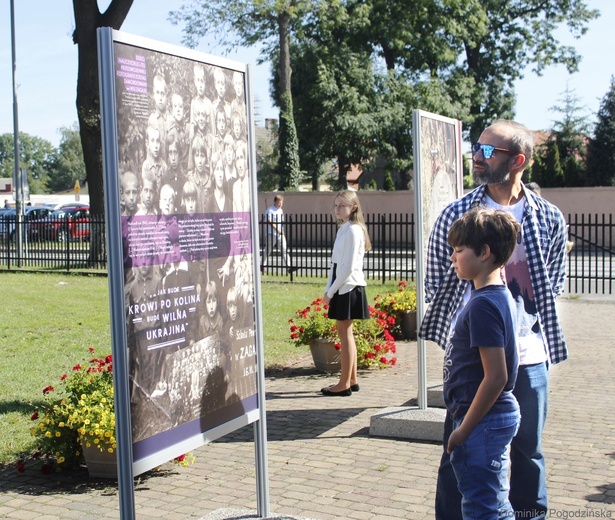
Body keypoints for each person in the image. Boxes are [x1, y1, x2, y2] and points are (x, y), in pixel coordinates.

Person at [420, 119, 569, 520]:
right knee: (459, 448)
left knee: (528, 450)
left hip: (530, 356)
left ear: (518, 160)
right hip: (475, 359)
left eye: (488, 151)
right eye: (477, 148)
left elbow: (553, 283)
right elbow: (438, 277)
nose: (477, 157)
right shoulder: (458, 213)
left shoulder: (549, 218)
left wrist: (519, 328)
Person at [443, 206, 521, 519]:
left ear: (485, 252)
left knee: (484, 509)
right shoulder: (493, 297)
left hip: (483, 422)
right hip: (487, 419)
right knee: (492, 504)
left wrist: (464, 430)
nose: (453, 257)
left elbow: (496, 376)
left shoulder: (484, 305)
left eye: (459, 250)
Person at [321, 190, 371, 397]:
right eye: (336, 205)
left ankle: (344, 384)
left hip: (347, 287)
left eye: (342, 205)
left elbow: (348, 268)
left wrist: (331, 292)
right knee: (346, 334)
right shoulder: (345, 228)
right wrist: (328, 289)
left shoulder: (353, 231)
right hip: (342, 286)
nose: (337, 209)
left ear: (354, 207)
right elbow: (335, 265)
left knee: (345, 335)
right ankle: (351, 380)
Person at [262, 194, 294, 273]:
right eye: (279, 203)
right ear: (275, 202)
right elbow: (269, 221)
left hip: (280, 234)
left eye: (281, 203)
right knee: (268, 250)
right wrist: (277, 229)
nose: (280, 205)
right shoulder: (270, 210)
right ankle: (263, 265)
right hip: (271, 234)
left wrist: (281, 230)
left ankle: (289, 267)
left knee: (284, 250)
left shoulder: (280, 210)